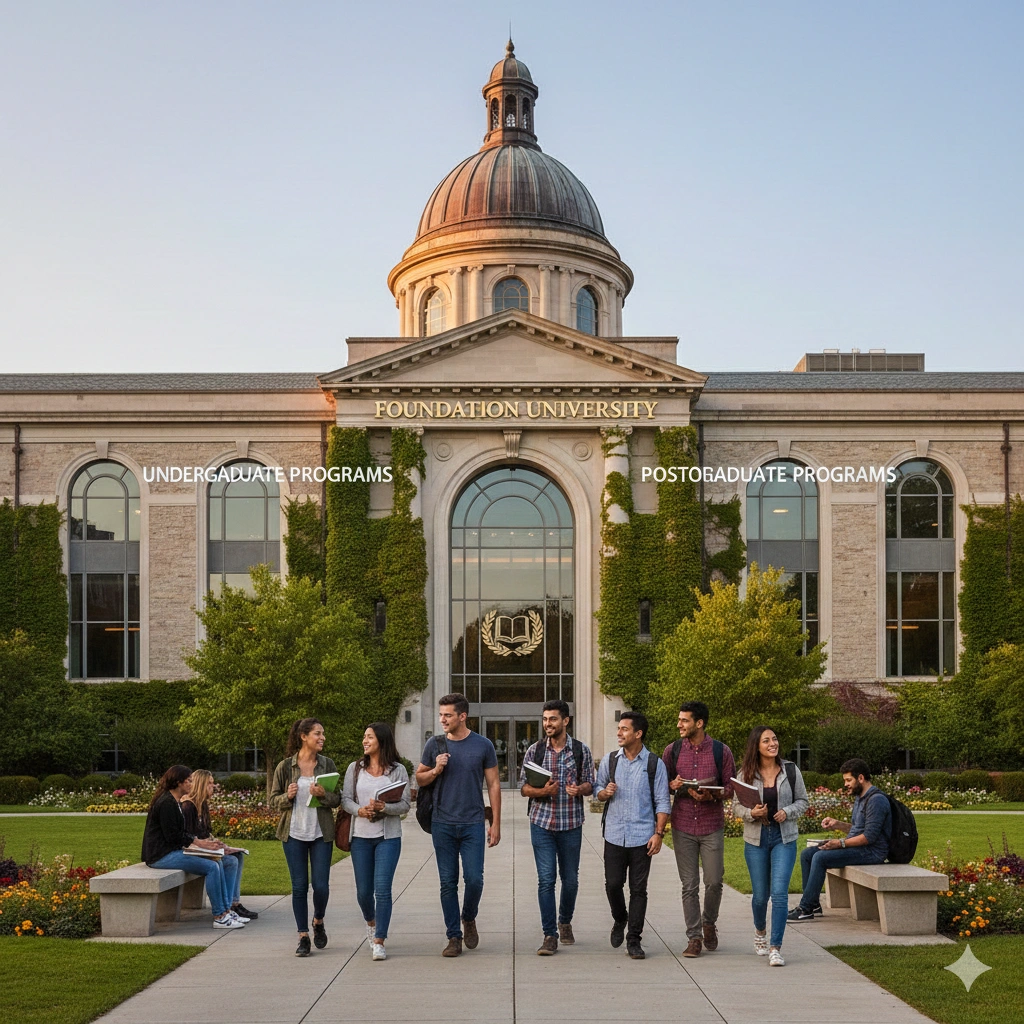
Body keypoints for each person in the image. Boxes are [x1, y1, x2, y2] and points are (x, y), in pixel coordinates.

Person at [415, 693, 501, 957]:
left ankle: (469, 916)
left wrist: (495, 823)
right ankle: (453, 936)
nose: (443, 719)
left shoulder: (483, 745)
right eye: (441, 714)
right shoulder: (435, 745)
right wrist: (435, 770)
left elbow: (494, 784)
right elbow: (419, 778)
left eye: (448, 715)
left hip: (473, 822)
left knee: (474, 879)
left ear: (462, 716)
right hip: (442, 823)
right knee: (447, 882)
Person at [519, 699, 596, 955]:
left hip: (571, 824)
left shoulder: (580, 751)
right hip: (541, 823)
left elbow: (590, 784)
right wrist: (543, 790)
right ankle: (549, 934)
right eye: (544, 719)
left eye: (552, 719)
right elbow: (524, 788)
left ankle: (565, 921)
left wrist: (580, 789)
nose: (547, 724)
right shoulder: (535, 751)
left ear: (566, 721)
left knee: (571, 880)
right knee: (546, 880)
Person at [662, 700, 736, 958]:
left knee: (714, 881)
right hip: (682, 824)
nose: (679, 724)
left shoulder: (721, 751)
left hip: (711, 825)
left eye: (684, 720)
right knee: (689, 885)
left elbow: (730, 787)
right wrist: (674, 785)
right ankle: (694, 937)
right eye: (680, 719)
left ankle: (709, 922)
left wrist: (712, 795)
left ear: (699, 723)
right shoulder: (671, 751)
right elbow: (664, 785)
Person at [596, 711, 670, 960]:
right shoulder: (610, 761)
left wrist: (658, 833)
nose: (619, 733)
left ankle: (634, 939)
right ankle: (620, 918)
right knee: (613, 884)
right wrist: (604, 793)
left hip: (642, 837)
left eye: (624, 729)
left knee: (639, 890)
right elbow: (597, 789)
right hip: (615, 834)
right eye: (619, 728)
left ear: (638, 734)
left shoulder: (654, 764)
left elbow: (662, 801)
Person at [733, 726, 808, 967]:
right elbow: (736, 807)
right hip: (756, 840)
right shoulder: (745, 773)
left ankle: (776, 947)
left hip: (783, 838)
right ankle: (760, 932)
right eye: (766, 740)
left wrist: (787, 811)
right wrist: (751, 813)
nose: (772, 743)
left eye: (774, 739)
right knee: (760, 897)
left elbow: (803, 801)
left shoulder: (790, 771)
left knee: (779, 894)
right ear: (757, 746)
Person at [269, 717, 342, 957]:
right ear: (303, 737)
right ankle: (303, 936)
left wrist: (323, 795)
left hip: (321, 833)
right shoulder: (284, 767)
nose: (322, 738)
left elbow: (337, 799)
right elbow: (272, 801)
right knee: (299, 887)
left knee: (320, 886)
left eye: (323, 734)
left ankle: (318, 920)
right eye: (317, 733)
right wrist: (286, 797)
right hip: (294, 834)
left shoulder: (327, 764)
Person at [788, 757, 892, 922]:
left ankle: (805, 908)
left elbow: (869, 837)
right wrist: (838, 825)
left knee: (820, 857)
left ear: (861, 778)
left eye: (848, 780)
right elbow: (858, 828)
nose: (846, 784)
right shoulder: (861, 797)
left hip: (872, 852)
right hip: (859, 848)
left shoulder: (876, 800)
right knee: (807, 854)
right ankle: (813, 904)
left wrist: (840, 843)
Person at [141, 764, 244, 930]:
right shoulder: (167, 803)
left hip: (172, 851)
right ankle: (219, 916)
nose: (191, 784)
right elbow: (173, 837)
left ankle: (226, 911)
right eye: (189, 781)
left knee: (217, 863)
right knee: (212, 866)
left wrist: (201, 843)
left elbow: (180, 834)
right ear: (179, 783)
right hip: (160, 856)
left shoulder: (174, 801)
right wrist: (199, 844)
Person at [341, 721, 411, 962]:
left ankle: (379, 940)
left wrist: (384, 807)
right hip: (360, 837)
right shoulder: (355, 768)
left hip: (387, 838)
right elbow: (345, 800)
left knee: (382, 890)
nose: (365, 741)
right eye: (364, 737)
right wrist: (360, 811)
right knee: (363, 893)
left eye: (369, 737)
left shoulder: (398, 770)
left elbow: (405, 804)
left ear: (381, 740)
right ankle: (371, 922)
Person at [181, 768, 259, 922]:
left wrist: (219, 843)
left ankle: (234, 903)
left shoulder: (201, 805)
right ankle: (227, 907)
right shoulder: (188, 807)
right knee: (230, 861)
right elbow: (188, 839)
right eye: (210, 783)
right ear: (201, 785)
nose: (213, 786)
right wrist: (212, 847)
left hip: (202, 848)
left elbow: (205, 833)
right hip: (192, 851)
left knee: (237, 855)